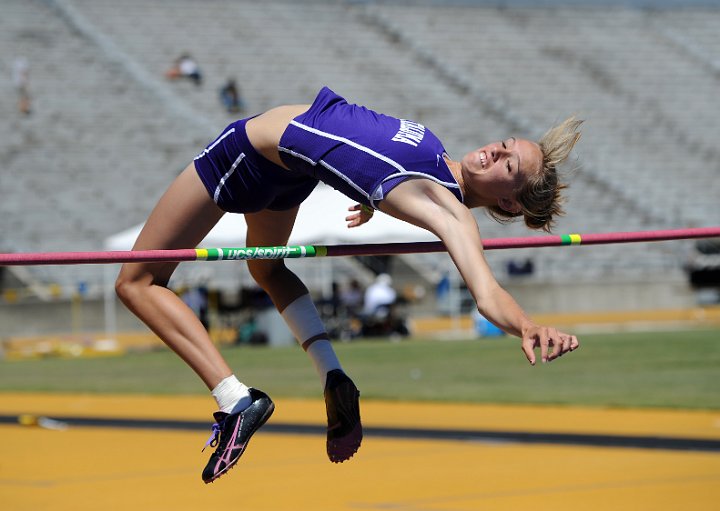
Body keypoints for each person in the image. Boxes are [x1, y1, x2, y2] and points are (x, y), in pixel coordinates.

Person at [115, 86, 581, 483]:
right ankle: (332, 376)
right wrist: (374, 197)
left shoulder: (447, 209)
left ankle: (235, 399)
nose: (496, 152)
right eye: (504, 144)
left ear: (508, 200)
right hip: (288, 173)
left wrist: (525, 325)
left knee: (136, 282)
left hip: (249, 151)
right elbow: (366, 151)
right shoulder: (435, 160)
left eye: (509, 166)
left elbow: (486, 292)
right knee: (268, 269)